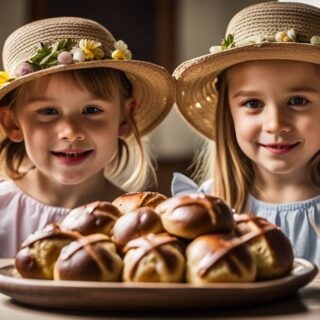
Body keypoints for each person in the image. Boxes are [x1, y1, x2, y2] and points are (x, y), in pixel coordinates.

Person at [0, 16, 174, 258]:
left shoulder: (138, 222)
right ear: (12, 123)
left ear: (124, 118)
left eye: (92, 110)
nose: (71, 131)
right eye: (48, 111)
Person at [172, 1, 320, 265]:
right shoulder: (206, 210)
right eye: (253, 104)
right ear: (228, 113)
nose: (275, 124)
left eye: (298, 101)